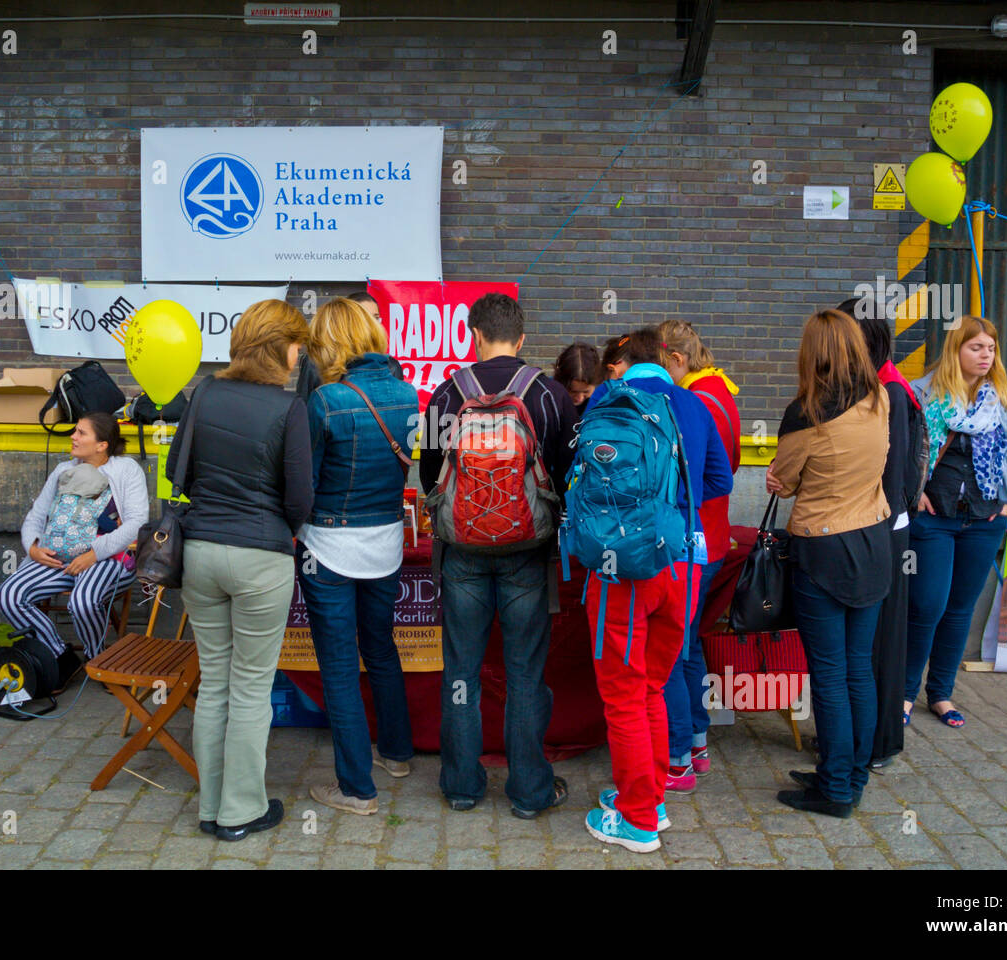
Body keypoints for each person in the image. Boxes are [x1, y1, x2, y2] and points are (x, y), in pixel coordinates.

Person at [419, 293, 578, 819]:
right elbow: (563, 473)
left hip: (461, 551)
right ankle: (530, 792)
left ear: (473, 335)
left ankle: (462, 786)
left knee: (460, 669)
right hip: (528, 553)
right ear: (522, 337)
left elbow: (429, 475)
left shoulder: (445, 395)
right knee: (525, 674)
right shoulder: (550, 395)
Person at [577, 328, 732, 851]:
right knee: (651, 687)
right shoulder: (697, 403)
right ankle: (650, 797)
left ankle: (638, 819)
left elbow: (581, 474)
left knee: (622, 694)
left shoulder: (608, 397)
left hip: (625, 568)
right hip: (685, 565)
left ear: (620, 366)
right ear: (668, 361)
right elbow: (720, 482)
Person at [168, 299, 314, 841]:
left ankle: (210, 806)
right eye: (297, 345)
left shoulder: (203, 393)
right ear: (281, 346)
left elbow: (172, 467)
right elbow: (301, 498)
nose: (301, 357)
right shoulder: (288, 407)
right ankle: (241, 811)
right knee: (252, 688)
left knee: (215, 685)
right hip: (260, 557)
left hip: (200, 553)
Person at [767, 310, 891, 818]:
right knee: (858, 670)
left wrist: (779, 481)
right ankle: (850, 773)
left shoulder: (807, 413)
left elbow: (787, 478)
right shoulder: (879, 398)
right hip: (874, 541)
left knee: (830, 675)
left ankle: (836, 787)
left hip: (823, 550)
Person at [298, 297, 418, 815]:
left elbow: (304, 485)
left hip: (329, 546)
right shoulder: (409, 394)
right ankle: (396, 752)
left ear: (328, 343)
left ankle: (356, 790)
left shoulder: (324, 400)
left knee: (340, 666)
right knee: (382, 646)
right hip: (387, 542)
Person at [905, 316, 1007, 730]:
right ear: (956, 350)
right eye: (977, 348)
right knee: (926, 606)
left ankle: (941, 694)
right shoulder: (924, 394)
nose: (986, 356)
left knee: (959, 610)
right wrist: (915, 497)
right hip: (934, 521)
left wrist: (1006, 499)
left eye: (990, 349)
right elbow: (906, 451)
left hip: (984, 519)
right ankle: (902, 692)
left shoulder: (1000, 398)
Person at [0, 412, 147, 682]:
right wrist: (32, 548)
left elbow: (137, 523)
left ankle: (98, 658)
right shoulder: (62, 471)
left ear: (102, 445)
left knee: (83, 602)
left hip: (108, 558)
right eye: (74, 431)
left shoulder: (125, 470)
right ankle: (60, 656)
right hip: (59, 557)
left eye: (81, 433)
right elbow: (36, 515)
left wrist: (94, 554)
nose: (73, 437)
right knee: (9, 595)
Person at [655, 318, 741, 791]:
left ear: (677, 360)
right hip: (715, 537)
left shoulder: (692, 401)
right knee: (687, 647)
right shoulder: (721, 392)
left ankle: (678, 756)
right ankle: (697, 742)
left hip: (692, 539)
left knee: (672, 650)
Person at [839, 295, 921, 768]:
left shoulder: (889, 391)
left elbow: (895, 479)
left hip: (883, 532)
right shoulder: (874, 385)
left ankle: (878, 743)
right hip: (874, 529)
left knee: (881, 645)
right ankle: (858, 737)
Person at [552, 342, 603, 414]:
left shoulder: (603, 399)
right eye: (573, 391)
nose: (579, 398)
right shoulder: (549, 396)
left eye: (586, 392)